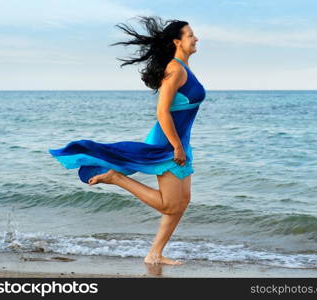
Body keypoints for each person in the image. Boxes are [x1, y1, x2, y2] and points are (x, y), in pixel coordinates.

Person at [48, 16, 205, 265]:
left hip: (180, 141)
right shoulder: (174, 70)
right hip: (168, 142)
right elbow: (162, 112)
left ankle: (155, 253)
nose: (196, 38)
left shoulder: (184, 68)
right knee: (169, 205)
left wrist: (181, 144)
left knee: (183, 201)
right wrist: (175, 146)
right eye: (190, 35)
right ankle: (116, 178)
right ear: (177, 41)